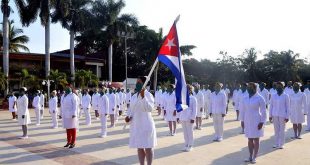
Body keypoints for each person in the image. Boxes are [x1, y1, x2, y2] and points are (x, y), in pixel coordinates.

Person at [125, 76, 157, 165]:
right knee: (139, 147)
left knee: (148, 147)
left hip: (146, 125)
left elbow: (149, 108)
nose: (137, 84)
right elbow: (131, 109)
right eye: (137, 82)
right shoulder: (134, 96)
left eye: (139, 82)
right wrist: (128, 116)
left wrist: (143, 97)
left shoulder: (149, 95)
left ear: (144, 84)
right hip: (136, 124)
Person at [240, 83, 266, 163]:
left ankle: (255, 157)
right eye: (248, 87)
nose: (248, 89)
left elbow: (263, 111)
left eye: (250, 87)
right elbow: (243, 110)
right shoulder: (245, 98)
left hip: (257, 121)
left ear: (255, 88)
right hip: (247, 120)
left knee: (256, 139)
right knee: (249, 139)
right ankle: (250, 156)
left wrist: (262, 122)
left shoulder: (260, 98)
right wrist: (242, 120)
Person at [269, 81, 290, 149]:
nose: (278, 88)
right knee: (276, 130)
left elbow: (288, 107)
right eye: (277, 86)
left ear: (282, 87)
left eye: (280, 86)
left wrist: (287, 116)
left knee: (282, 130)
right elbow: (271, 106)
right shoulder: (273, 95)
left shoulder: (286, 96)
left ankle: (281, 144)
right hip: (275, 114)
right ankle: (276, 143)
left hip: (282, 115)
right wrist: (270, 115)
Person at [177, 85, 197, 152]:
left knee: (190, 132)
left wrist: (193, 118)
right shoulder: (182, 98)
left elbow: (195, 109)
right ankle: (186, 144)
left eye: (187, 89)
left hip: (189, 117)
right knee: (185, 132)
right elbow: (179, 108)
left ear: (190, 90)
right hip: (183, 117)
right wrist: (178, 117)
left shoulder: (193, 98)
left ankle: (190, 145)